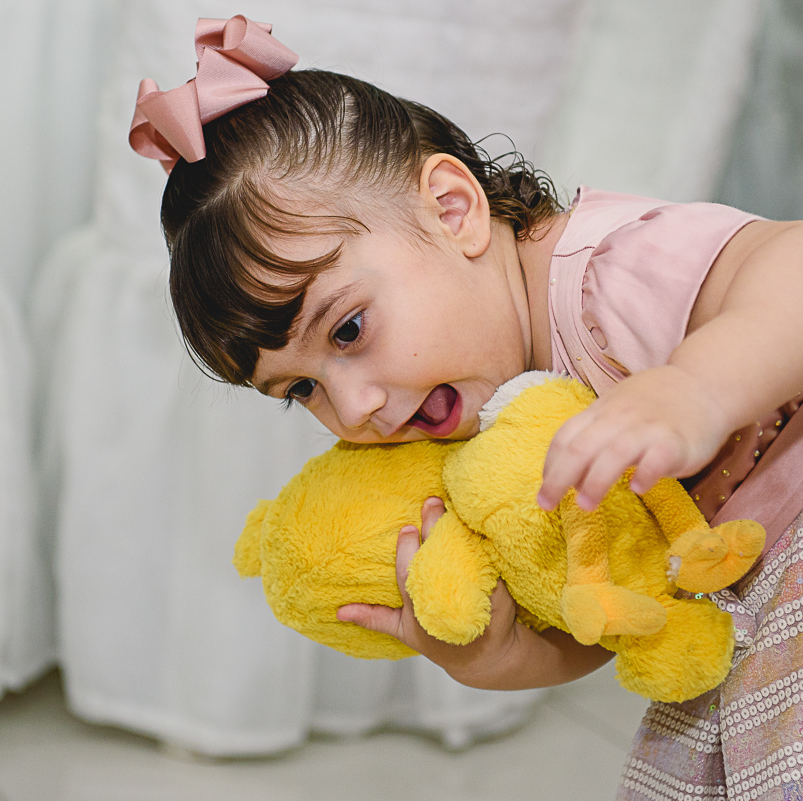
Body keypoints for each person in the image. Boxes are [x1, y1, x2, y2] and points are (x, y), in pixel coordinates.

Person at [130, 15, 803, 800]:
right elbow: (616, 606)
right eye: (301, 390)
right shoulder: (487, 430)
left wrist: (695, 388)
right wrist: (501, 656)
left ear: (454, 211)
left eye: (347, 329)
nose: (356, 407)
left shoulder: (604, 275)